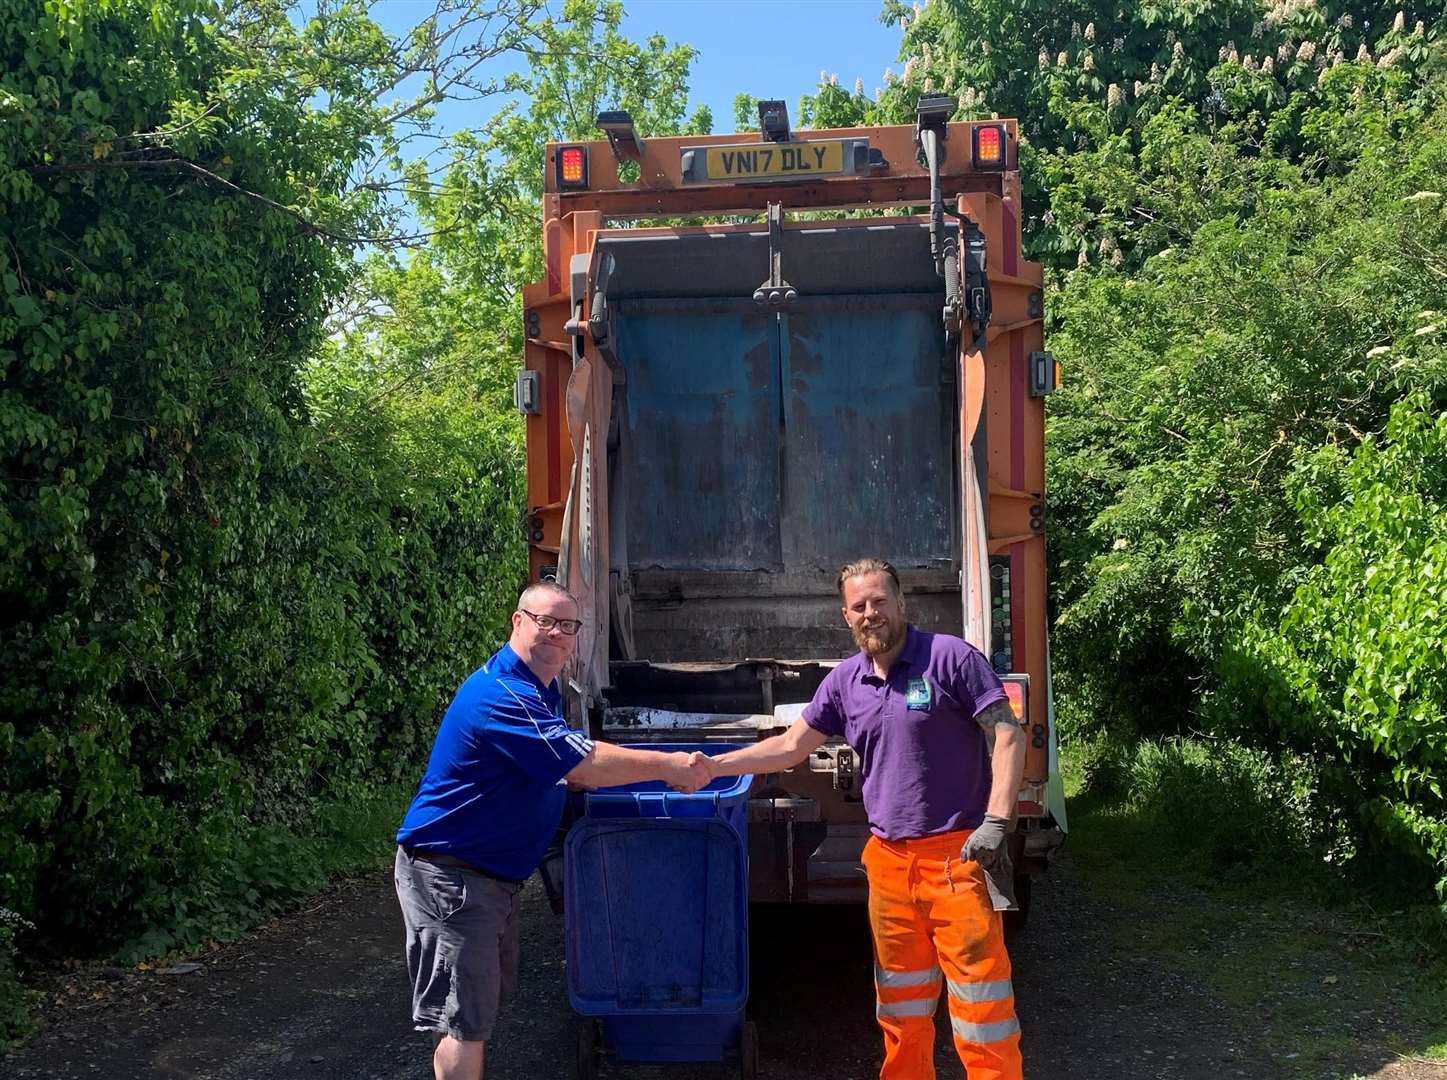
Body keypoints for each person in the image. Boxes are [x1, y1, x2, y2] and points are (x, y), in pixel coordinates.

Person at [700, 558, 1026, 1080]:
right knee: (901, 1008)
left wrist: (997, 821)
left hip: (958, 859)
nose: (870, 613)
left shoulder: (950, 659)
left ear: (901, 604)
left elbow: (1008, 733)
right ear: (845, 616)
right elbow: (788, 748)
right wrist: (714, 766)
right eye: (859, 606)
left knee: (981, 1008)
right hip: (889, 866)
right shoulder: (845, 682)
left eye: (879, 601)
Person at [394, 580, 710, 1080]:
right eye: (544, 621)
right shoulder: (501, 695)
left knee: (473, 1007)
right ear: (517, 623)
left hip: (486, 876)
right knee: (464, 1021)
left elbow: (558, 763)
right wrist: (669, 767)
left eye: (567, 625)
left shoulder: (544, 689)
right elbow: (578, 763)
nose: (556, 634)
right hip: (453, 877)